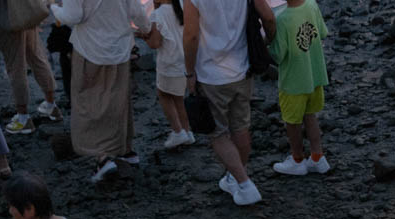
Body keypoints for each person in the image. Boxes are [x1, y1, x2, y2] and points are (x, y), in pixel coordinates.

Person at [186, 0, 277, 206]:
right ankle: (234, 178)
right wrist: (269, 42)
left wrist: (189, 72)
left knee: (217, 133)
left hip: (211, 74)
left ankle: (245, 184)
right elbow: (269, 17)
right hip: (242, 68)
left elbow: (191, 35)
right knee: (240, 127)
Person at [52, 0, 145, 181]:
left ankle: (103, 158)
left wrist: (53, 8)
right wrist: (147, 28)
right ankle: (126, 151)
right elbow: (137, 10)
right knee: (118, 99)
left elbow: (72, 16)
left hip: (90, 49)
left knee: (90, 102)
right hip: (119, 49)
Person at [270, 0, 331, 175]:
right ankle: (318, 157)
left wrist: (266, 42)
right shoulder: (312, 5)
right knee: (310, 116)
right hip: (314, 76)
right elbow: (322, 33)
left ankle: (297, 159)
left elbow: (278, 55)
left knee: (292, 122)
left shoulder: (281, 19)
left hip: (293, 82)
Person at [0, 0, 63, 134]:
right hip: (27, 11)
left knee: (15, 66)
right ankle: (51, 105)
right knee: (37, 57)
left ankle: (23, 118)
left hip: (6, 17)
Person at [148, 0, 195, 149]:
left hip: (168, 63)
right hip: (183, 62)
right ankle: (187, 132)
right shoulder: (182, 8)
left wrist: (144, 36)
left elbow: (155, 43)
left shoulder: (157, 15)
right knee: (179, 98)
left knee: (164, 95)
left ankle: (177, 130)